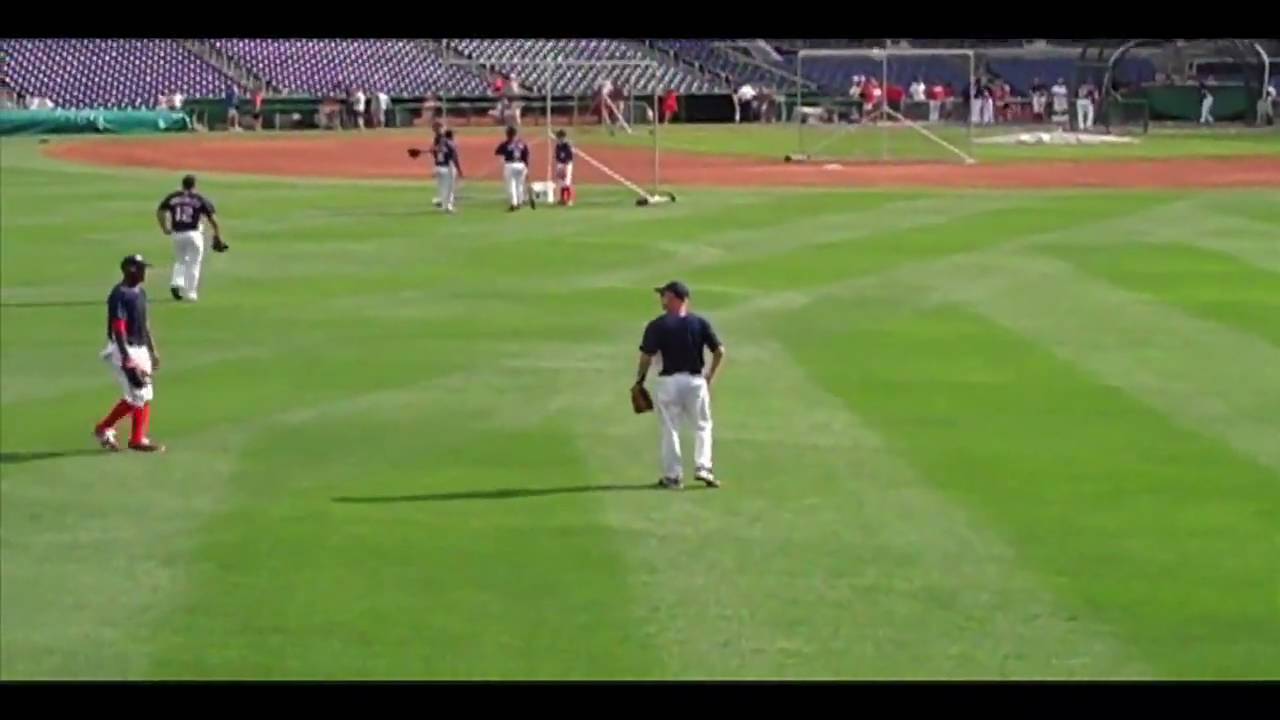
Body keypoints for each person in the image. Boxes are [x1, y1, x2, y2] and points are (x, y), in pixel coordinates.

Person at [635, 281, 725, 489]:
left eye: (664, 295)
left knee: (670, 428)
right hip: (696, 382)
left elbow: (646, 356)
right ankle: (704, 467)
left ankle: (673, 476)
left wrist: (640, 380)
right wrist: (710, 376)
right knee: (702, 426)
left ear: (677, 298)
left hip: (668, 383)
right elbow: (719, 351)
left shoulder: (657, 325)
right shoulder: (700, 324)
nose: (661, 299)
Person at [93, 254, 165, 454]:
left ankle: (121, 433)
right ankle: (130, 437)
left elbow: (145, 324)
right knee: (138, 393)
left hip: (140, 348)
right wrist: (127, 358)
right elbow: (118, 328)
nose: (145, 273)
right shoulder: (119, 295)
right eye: (141, 268)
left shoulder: (140, 293)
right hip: (125, 348)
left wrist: (152, 350)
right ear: (129, 270)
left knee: (144, 394)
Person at [156, 174, 222, 302]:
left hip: (177, 234)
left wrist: (164, 227)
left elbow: (160, 211)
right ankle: (190, 293)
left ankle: (176, 282)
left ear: (183, 184)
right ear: (194, 185)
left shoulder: (173, 197)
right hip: (194, 234)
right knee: (194, 263)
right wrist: (217, 234)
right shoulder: (199, 198)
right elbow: (212, 218)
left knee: (180, 260)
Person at [494, 125, 532, 211]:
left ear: (507, 134)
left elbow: (497, 152)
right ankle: (520, 202)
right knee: (520, 185)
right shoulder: (521, 143)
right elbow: (526, 155)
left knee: (511, 185)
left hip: (510, 165)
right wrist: (527, 167)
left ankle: (514, 204)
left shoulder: (506, 143)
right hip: (521, 165)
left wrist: (505, 153)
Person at [431, 129, 462, 213]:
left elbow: (433, 153)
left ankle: (443, 205)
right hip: (447, 168)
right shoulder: (450, 145)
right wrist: (458, 169)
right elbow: (454, 158)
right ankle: (449, 207)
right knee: (450, 189)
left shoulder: (436, 147)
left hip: (437, 168)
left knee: (442, 189)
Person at [553, 129, 574, 206]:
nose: (558, 139)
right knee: (561, 182)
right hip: (560, 164)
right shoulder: (558, 145)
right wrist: (559, 166)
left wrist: (565, 166)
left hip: (567, 165)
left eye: (559, 137)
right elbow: (557, 156)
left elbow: (569, 157)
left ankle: (568, 200)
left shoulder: (567, 145)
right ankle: (562, 199)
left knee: (567, 182)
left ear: (562, 137)